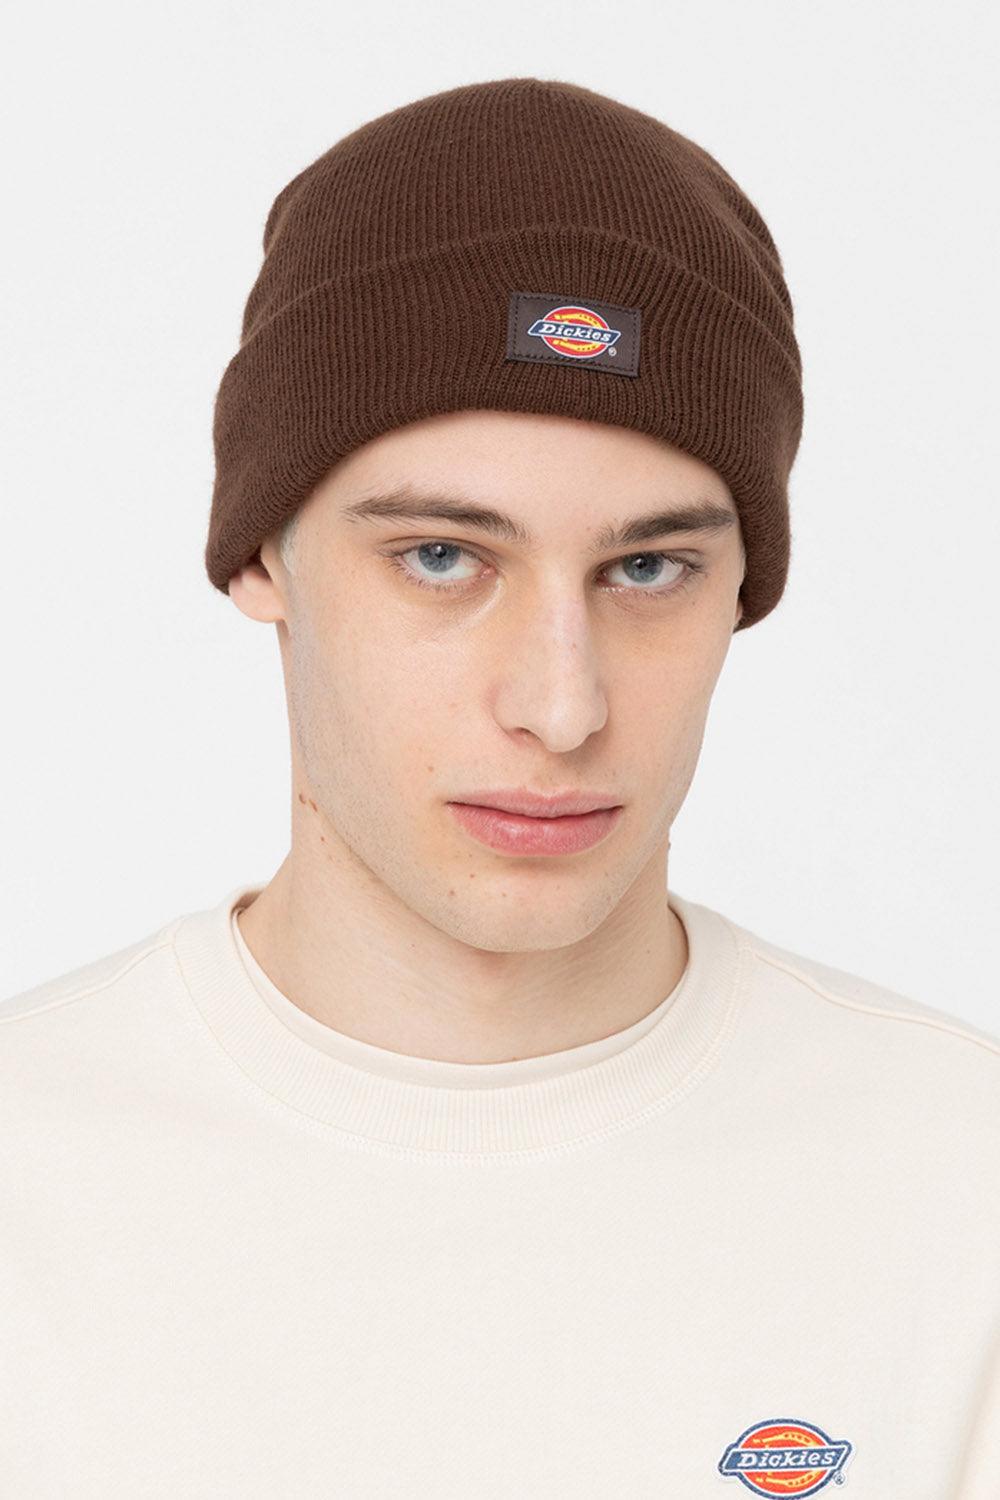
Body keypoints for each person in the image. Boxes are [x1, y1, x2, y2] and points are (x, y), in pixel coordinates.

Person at [2, 76, 998, 1498]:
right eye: (442, 557)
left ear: (742, 591)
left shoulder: (961, 1188)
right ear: (261, 556)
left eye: (648, 568)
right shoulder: (28, 1185)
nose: (561, 704)